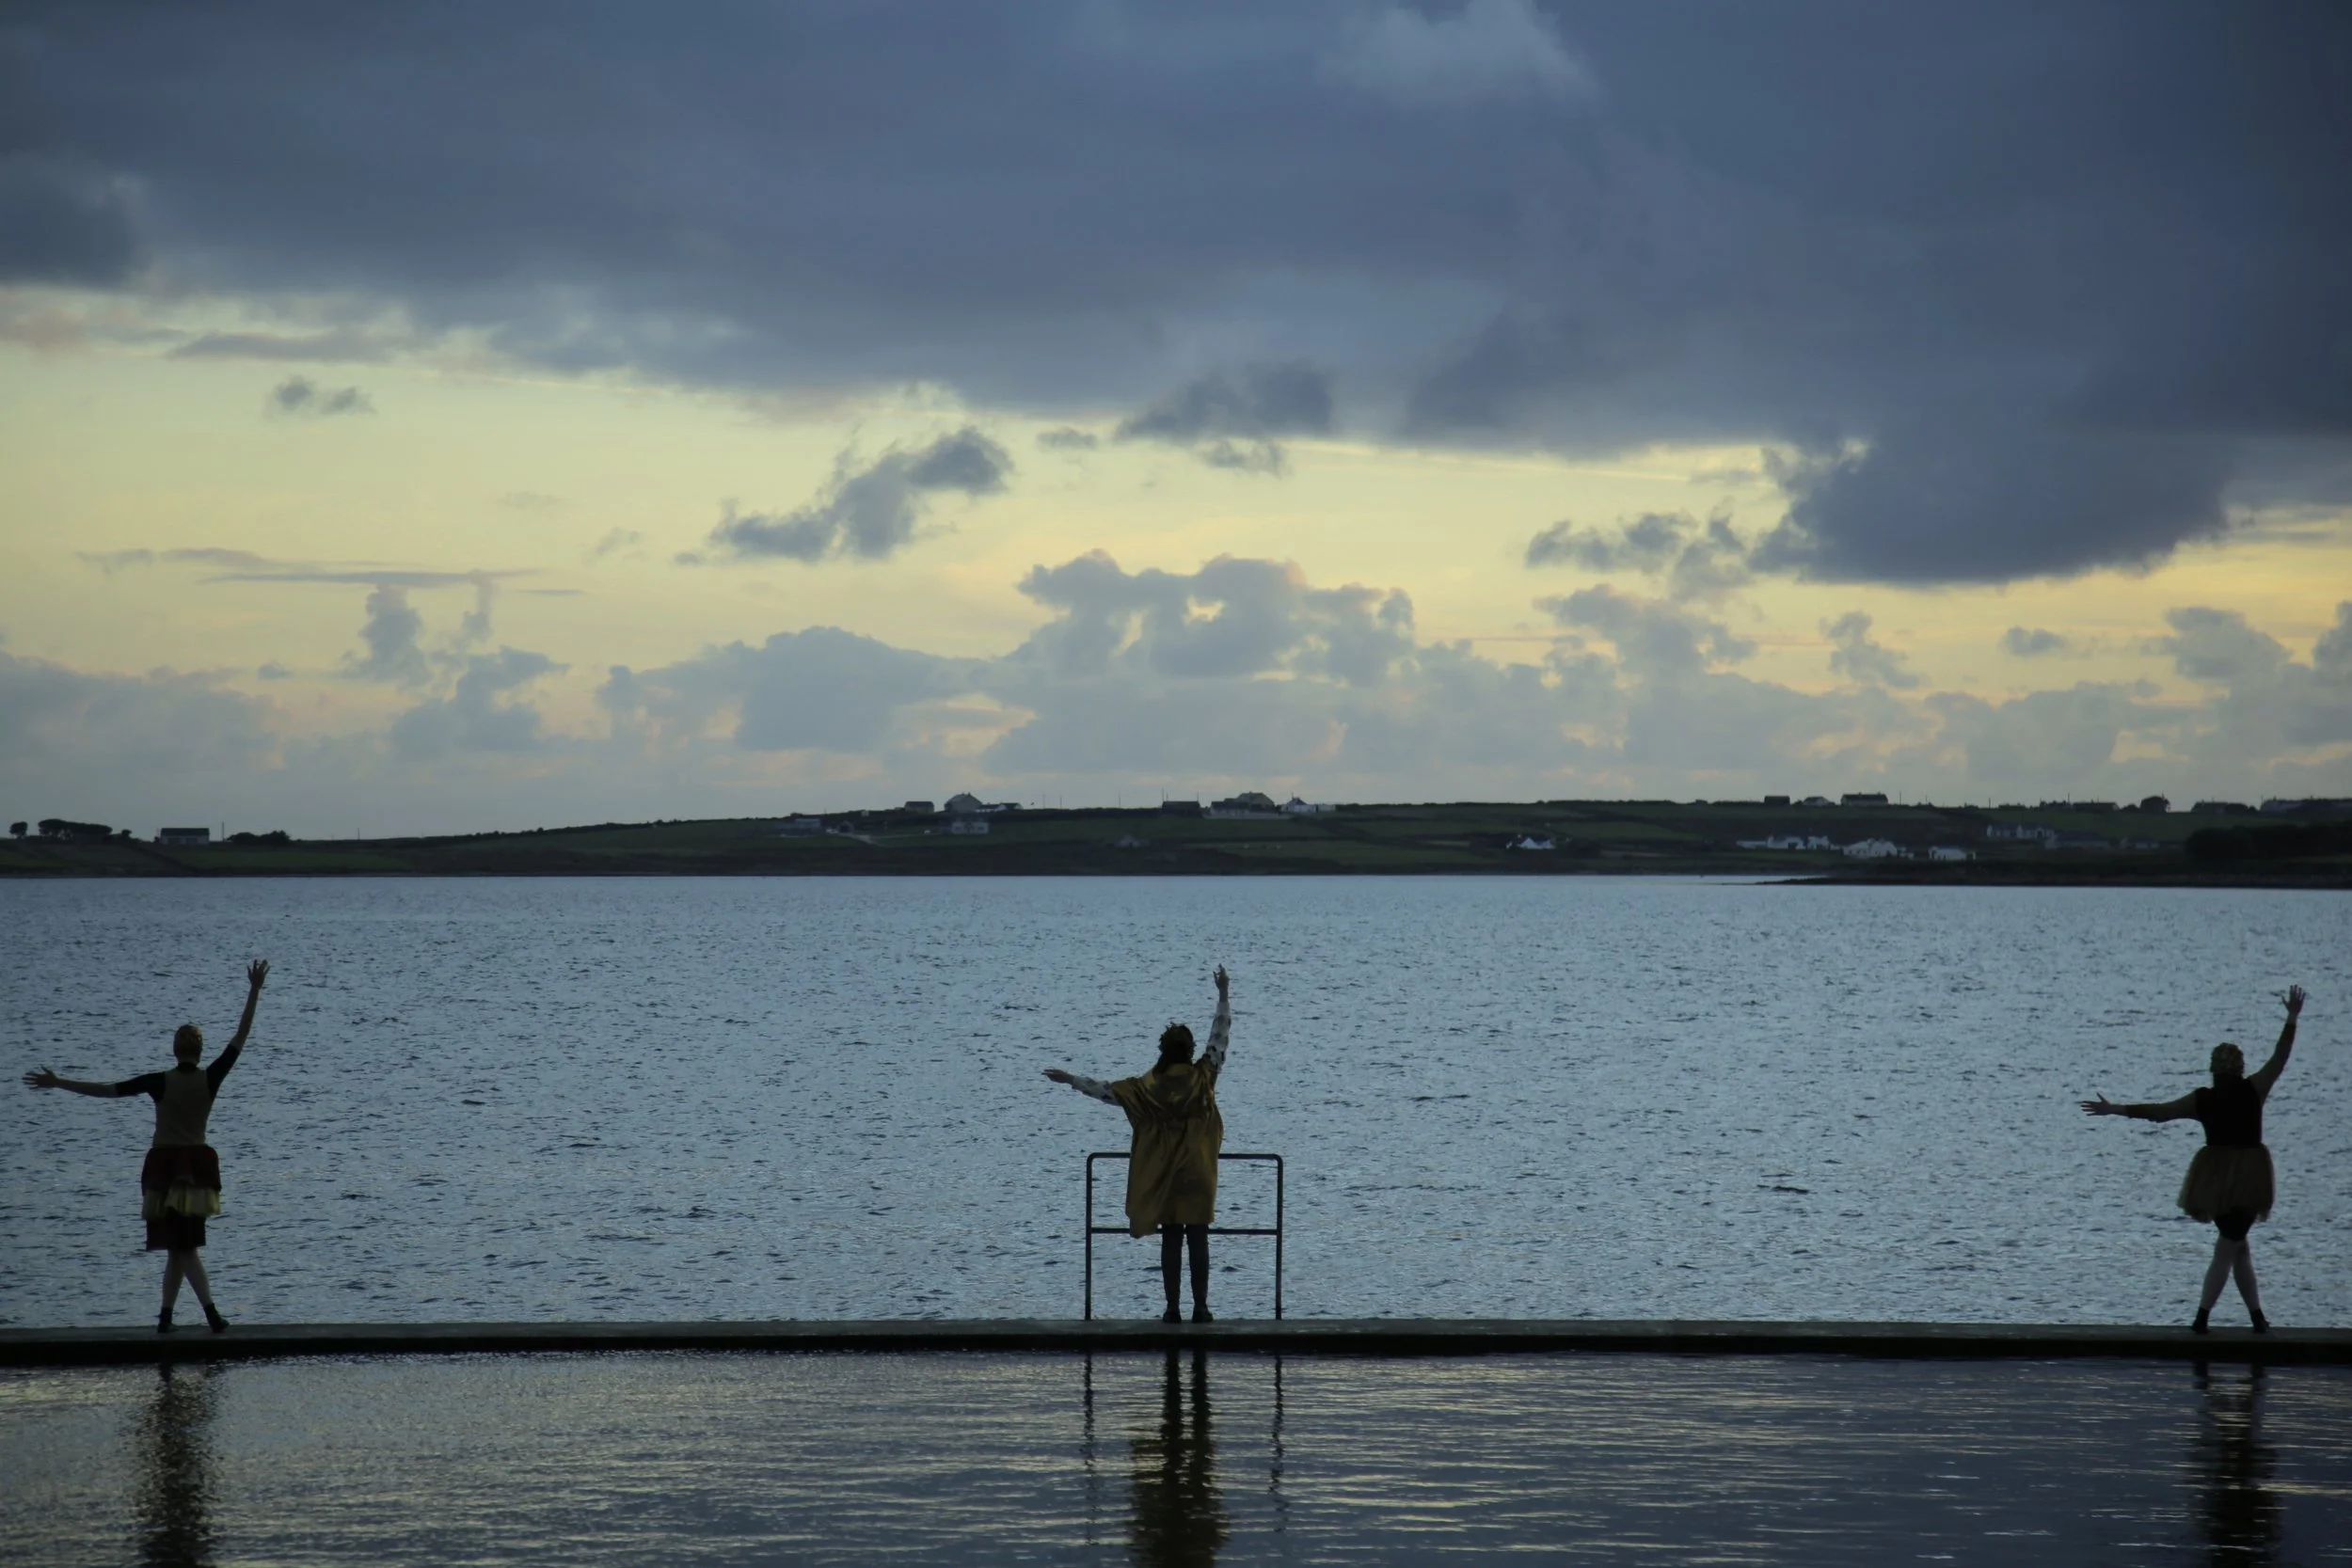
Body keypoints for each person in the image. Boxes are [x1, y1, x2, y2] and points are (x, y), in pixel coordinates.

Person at [24, 958, 271, 1334]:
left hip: (164, 1166)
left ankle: (170, 1318)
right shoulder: (210, 1078)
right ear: (199, 1052)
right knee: (184, 1246)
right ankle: (209, 1316)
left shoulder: (158, 1082)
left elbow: (107, 1090)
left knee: (179, 1246)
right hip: (195, 1167)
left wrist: (60, 1083)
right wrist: (254, 990)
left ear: (174, 1051)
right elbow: (240, 1037)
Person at [2082, 984, 2303, 1334]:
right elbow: (2281, 1056)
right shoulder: (2254, 1089)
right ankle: (2214, 1319)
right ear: (2240, 1068)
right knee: (2232, 1246)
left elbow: (2159, 1113)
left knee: (2234, 1245)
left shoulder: (2203, 1099)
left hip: (2215, 1180)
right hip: (2249, 1178)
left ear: (2213, 1069)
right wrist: (2291, 1017)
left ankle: (2244, 1319)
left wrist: (2115, 1109)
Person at [1047, 965, 1232, 1323]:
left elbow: (1105, 1091)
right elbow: (1220, 1038)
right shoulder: (1204, 1077)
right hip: (1198, 1169)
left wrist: (1070, 1078)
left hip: (1163, 1171)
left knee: (1171, 1237)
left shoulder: (1145, 1087)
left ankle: (1173, 1308)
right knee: (1198, 1236)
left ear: (1163, 1051)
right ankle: (1202, 1307)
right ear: (1189, 1050)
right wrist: (1223, 993)